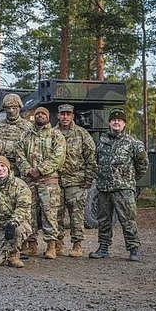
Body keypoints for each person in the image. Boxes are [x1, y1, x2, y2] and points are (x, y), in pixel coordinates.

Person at [90, 108, 148, 262]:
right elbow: (95, 162)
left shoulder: (133, 143)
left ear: (124, 124)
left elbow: (142, 164)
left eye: (120, 120)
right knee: (103, 220)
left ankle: (133, 249)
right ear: (109, 123)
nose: (116, 122)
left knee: (128, 220)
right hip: (103, 188)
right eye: (114, 120)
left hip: (123, 189)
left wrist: (129, 179)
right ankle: (103, 248)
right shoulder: (101, 143)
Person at [15, 106, 66, 259]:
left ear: (48, 117)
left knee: (49, 213)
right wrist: (28, 169)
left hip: (48, 180)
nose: (40, 116)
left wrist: (41, 170)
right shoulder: (25, 135)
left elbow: (58, 157)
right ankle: (31, 244)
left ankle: (51, 245)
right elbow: (19, 154)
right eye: (37, 114)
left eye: (43, 114)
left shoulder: (56, 135)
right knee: (29, 213)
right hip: (29, 180)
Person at [55, 104, 97, 257]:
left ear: (73, 116)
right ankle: (57, 244)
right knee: (56, 215)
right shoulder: (52, 133)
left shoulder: (81, 134)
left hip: (76, 181)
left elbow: (91, 158)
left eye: (68, 114)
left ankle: (77, 245)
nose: (65, 117)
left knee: (76, 215)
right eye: (62, 114)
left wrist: (88, 178)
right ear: (58, 116)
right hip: (56, 181)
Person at [0, 93, 33, 171]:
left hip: (22, 167)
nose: (11, 111)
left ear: (19, 108)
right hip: (2, 167)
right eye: (8, 108)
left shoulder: (28, 127)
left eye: (14, 108)